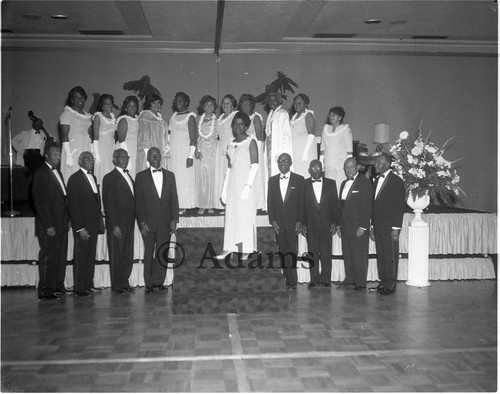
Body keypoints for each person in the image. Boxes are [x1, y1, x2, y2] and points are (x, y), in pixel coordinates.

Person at [135, 147, 179, 294]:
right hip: (147, 223)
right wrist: (141, 222)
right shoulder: (140, 177)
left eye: (157, 155)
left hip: (165, 222)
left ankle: (159, 282)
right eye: (151, 155)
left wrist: (175, 219)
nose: (154, 157)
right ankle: (148, 284)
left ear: (161, 157)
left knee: (162, 252)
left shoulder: (170, 176)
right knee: (149, 253)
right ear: (147, 158)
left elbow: (174, 200)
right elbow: (138, 202)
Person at [32, 144, 69, 300]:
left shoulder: (57, 172)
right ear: (46, 155)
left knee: (60, 257)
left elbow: (62, 200)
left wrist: (67, 220)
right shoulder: (41, 173)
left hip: (61, 224)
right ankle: (46, 290)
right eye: (54, 153)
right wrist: (48, 225)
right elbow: (40, 202)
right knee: (49, 258)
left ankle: (57, 285)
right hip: (50, 226)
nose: (58, 156)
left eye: (59, 153)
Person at [219, 112, 259, 257]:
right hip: (233, 181)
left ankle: (246, 248)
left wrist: (247, 187)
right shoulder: (230, 142)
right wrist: (224, 189)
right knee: (231, 214)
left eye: (241, 124)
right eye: (235, 123)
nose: (238, 126)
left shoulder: (251, 141)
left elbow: (255, 166)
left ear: (247, 126)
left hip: (246, 180)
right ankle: (229, 246)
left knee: (245, 215)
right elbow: (229, 167)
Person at [67, 151, 105, 297]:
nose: (90, 160)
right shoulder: (74, 179)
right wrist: (80, 228)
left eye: (91, 158)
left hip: (93, 225)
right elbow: (74, 206)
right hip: (82, 226)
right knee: (81, 257)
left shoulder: (93, 177)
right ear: (80, 161)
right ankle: (79, 288)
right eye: (86, 158)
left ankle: (88, 284)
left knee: (90, 257)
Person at [267, 153, 305, 290]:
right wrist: (273, 220)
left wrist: (300, 221)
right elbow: (270, 202)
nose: (282, 162)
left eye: (285, 160)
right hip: (279, 225)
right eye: (280, 161)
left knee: (292, 252)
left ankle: (293, 281)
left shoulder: (299, 180)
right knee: (282, 252)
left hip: (293, 224)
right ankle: (285, 280)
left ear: (290, 162)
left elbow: (302, 203)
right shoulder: (272, 180)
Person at [370, 153, 406, 295]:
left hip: (390, 227)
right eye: (376, 162)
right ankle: (383, 281)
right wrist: (372, 225)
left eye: (379, 162)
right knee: (382, 256)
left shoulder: (396, 181)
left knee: (390, 256)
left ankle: (390, 285)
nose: (375, 165)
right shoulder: (376, 179)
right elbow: (374, 205)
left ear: (388, 164)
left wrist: (396, 228)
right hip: (378, 226)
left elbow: (399, 206)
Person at [102, 149, 136, 295]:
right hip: (117, 225)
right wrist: (115, 225)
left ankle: (124, 282)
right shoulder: (109, 177)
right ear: (114, 160)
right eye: (121, 157)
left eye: (126, 157)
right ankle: (117, 286)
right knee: (117, 256)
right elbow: (109, 203)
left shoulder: (129, 176)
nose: (125, 159)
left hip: (129, 224)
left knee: (127, 255)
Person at [337, 157, 373, 291]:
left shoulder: (365, 182)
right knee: (347, 254)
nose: (349, 170)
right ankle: (350, 279)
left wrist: (363, 226)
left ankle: (360, 283)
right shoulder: (343, 184)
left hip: (358, 227)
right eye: (346, 167)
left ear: (357, 167)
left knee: (359, 255)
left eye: (351, 167)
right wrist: (339, 225)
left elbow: (367, 207)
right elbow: (341, 208)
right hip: (345, 227)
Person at [303, 160, 338, 288]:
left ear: (322, 169)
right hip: (310, 224)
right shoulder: (304, 184)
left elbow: (335, 205)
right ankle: (314, 279)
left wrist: (334, 222)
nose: (316, 171)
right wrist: (303, 223)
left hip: (326, 224)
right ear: (309, 170)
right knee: (312, 253)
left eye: (318, 168)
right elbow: (302, 206)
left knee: (326, 253)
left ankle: (326, 279)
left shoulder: (331, 183)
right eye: (313, 168)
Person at [167, 92, 197, 214]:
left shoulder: (190, 117)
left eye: (181, 101)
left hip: (184, 152)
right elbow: (169, 134)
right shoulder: (173, 117)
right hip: (174, 153)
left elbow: (193, 138)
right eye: (177, 101)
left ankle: (184, 204)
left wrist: (190, 155)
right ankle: (174, 203)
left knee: (184, 178)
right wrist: (167, 148)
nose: (178, 103)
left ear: (186, 103)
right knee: (174, 177)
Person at [238, 93, 266, 211]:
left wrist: (258, 156)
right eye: (243, 103)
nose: (245, 106)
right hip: (242, 153)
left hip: (254, 152)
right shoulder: (239, 118)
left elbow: (260, 138)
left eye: (247, 103)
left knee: (255, 177)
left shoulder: (256, 118)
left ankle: (257, 204)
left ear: (252, 105)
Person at [60, 86, 93, 182]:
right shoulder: (67, 114)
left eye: (82, 97)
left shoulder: (87, 115)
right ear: (71, 99)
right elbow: (64, 137)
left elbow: (90, 134)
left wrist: (92, 150)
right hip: (73, 148)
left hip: (85, 146)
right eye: (77, 97)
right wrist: (68, 156)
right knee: (73, 174)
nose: (80, 100)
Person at [213, 94, 238, 211]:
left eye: (228, 103)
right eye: (223, 103)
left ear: (233, 105)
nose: (225, 105)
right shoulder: (220, 118)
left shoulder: (236, 116)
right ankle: (222, 205)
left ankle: (231, 205)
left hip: (231, 148)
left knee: (230, 176)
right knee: (222, 175)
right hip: (220, 149)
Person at [195, 95, 218, 215]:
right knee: (202, 177)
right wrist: (196, 150)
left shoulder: (218, 120)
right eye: (206, 104)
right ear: (202, 106)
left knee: (211, 177)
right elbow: (195, 136)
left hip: (213, 149)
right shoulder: (198, 119)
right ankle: (202, 205)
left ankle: (210, 204)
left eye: (211, 105)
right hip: (202, 148)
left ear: (214, 107)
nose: (209, 107)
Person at [320, 106, 353, 189]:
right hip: (328, 163)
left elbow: (349, 149)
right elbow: (322, 148)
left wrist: (349, 166)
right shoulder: (325, 129)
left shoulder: (345, 129)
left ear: (340, 117)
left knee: (339, 186)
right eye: (330, 115)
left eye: (334, 115)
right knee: (329, 187)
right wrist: (321, 163)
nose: (331, 117)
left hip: (340, 164)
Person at [92, 94, 117, 193]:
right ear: (102, 105)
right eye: (106, 104)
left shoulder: (112, 117)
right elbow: (95, 136)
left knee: (111, 172)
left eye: (110, 103)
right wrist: (96, 153)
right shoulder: (98, 117)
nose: (109, 106)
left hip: (111, 148)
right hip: (102, 149)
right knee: (103, 172)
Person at [137, 93, 168, 173]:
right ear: (149, 104)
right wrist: (148, 157)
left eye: (158, 103)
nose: (156, 105)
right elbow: (144, 137)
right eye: (154, 103)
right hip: (149, 153)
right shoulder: (145, 117)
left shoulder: (161, 120)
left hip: (160, 152)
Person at [265, 91, 292, 177]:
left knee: (277, 173)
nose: (272, 103)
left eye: (274, 100)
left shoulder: (283, 114)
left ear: (279, 101)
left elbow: (286, 135)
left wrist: (283, 154)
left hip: (279, 150)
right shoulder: (271, 114)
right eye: (270, 101)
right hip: (269, 149)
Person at [290, 93, 316, 178]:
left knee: (305, 173)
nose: (298, 105)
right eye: (296, 103)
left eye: (300, 103)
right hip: (296, 151)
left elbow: (311, 135)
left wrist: (305, 152)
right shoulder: (293, 117)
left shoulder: (308, 115)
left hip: (305, 151)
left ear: (305, 104)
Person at [116, 95, 139, 177]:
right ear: (125, 108)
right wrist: (127, 158)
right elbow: (121, 140)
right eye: (130, 106)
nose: (132, 108)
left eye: (134, 106)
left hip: (135, 150)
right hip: (126, 150)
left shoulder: (138, 119)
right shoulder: (123, 119)